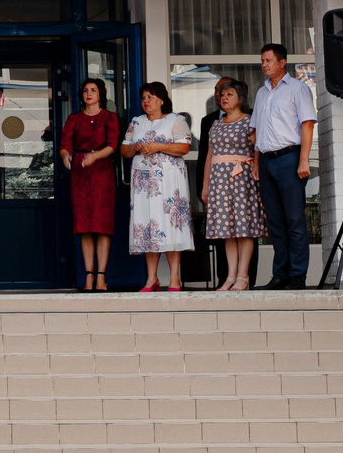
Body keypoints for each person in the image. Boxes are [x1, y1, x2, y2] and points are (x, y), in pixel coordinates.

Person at [250, 44, 316, 289]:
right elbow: (256, 132)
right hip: (266, 161)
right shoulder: (262, 92)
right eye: (262, 60)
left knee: (294, 220)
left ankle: (297, 275)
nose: (264, 64)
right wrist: (257, 164)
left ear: (282, 62)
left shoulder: (298, 90)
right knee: (275, 221)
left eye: (268, 60)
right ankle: (280, 275)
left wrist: (303, 159)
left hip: (290, 158)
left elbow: (307, 124)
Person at [122, 82, 194, 293]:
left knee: (171, 226)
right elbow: (123, 150)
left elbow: (184, 147)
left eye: (151, 97)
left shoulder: (176, 120)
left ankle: (174, 278)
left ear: (161, 99)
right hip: (144, 185)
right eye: (144, 97)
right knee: (148, 227)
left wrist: (159, 146)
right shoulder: (136, 122)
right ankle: (151, 278)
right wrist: (135, 147)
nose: (146, 101)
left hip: (169, 183)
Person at [201, 78, 262, 292]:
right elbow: (209, 156)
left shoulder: (249, 121)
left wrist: (255, 167)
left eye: (230, 95)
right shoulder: (216, 124)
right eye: (222, 95)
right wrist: (205, 186)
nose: (224, 98)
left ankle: (243, 276)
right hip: (219, 181)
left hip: (242, 179)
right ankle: (230, 276)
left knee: (244, 230)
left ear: (240, 98)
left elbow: (258, 148)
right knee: (227, 230)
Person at [60, 77, 120, 292]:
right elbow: (65, 144)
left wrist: (95, 157)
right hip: (81, 172)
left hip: (102, 171)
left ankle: (101, 276)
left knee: (102, 226)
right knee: (84, 226)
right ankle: (88, 276)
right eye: (85, 90)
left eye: (93, 90)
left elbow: (113, 145)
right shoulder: (74, 119)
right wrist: (66, 155)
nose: (89, 94)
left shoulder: (109, 117)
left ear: (100, 94)